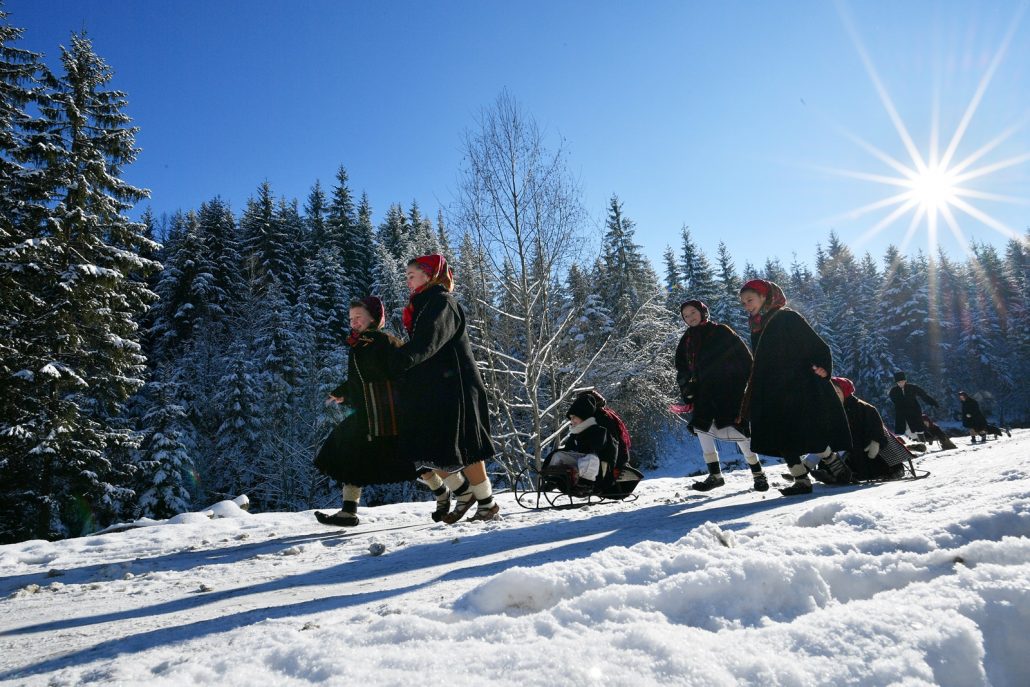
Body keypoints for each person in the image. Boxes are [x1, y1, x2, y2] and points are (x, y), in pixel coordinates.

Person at [388, 254, 499, 523]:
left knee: (467, 443)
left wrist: (398, 361)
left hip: (458, 386)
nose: (407, 281)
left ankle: (486, 503)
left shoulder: (441, 302)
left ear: (429, 274)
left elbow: (429, 343)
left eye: (411, 275)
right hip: (440, 387)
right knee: (435, 444)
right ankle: (464, 495)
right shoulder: (426, 303)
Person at [737, 279, 852, 496]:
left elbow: (817, 345)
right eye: (743, 303)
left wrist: (823, 367)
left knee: (806, 432)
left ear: (764, 296)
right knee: (781, 436)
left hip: (797, 386)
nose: (747, 305)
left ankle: (833, 461)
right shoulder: (756, 325)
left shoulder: (787, 317)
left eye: (750, 300)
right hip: (772, 389)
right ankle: (801, 481)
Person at [314, 297, 416, 526]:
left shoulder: (386, 342)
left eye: (359, 317)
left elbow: (405, 372)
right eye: (351, 318)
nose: (354, 322)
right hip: (365, 414)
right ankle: (348, 512)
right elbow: (358, 381)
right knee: (350, 453)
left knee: (411, 460)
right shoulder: (359, 345)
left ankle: (446, 492)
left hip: (387, 415)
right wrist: (344, 393)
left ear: (375, 318)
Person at [674, 299, 768, 492]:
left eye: (693, 312)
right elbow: (681, 368)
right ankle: (715, 475)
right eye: (686, 316)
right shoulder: (687, 339)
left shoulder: (721, 331)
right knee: (702, 429)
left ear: (703, 311)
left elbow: (745, 358)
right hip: (703, 393)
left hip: (728, 392)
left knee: (738, 431)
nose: (690, 317)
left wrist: (737, 382)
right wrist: (687, 388)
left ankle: (758, 474)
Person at [809, 377, 908, 483]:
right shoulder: (831, 410)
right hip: (841, 446)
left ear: (845, 392)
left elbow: (876, 427)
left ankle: (842, 474)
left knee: (845, 448)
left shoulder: (863, 408)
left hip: (865, 446)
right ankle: (808, 470)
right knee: (824, 447)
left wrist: (876, 441)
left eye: (836, 392)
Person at [543, 392, 618, 496]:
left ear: (584, 416)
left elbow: (597, 449)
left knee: (591, 458)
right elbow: (568, 449)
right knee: (558, 455)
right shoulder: (575, 433)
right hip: (579, 464)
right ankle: (554, 479)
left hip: (598, 469)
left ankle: (585, 485)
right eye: (571, 417)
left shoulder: (599, 431)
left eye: (574, 417)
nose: (571, 420)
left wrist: (583, 446)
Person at [888, 371, 939, 441]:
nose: (901, 383)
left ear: (905, 380)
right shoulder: (893, 391)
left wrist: (933, 402)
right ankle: (918, 443)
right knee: (906, 430)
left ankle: (923, 443)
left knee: (919, 428)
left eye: (902, 381)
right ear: (896, 383)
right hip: (903, 414)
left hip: (914, 411)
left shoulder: (912, 387)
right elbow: (895, 402)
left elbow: (924, 395)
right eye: (899, 382)